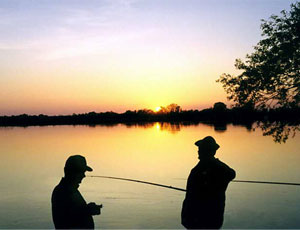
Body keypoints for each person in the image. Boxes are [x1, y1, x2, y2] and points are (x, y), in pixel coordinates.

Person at [181, 136, 235, 229]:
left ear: (207, 151)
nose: (198, 151)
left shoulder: (199, 170)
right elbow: (232, 174)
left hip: (198, 220)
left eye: (200, 149)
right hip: (214, 219)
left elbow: (191, 196)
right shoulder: (220, 167)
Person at [51, 155, 102, 229]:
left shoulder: (70, 190)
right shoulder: (62, 192)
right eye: (81, 172)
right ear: (71, 172)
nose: (84, 175)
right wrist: (87, 210)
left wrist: (87, 209)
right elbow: (67, 219)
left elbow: (74, 211)